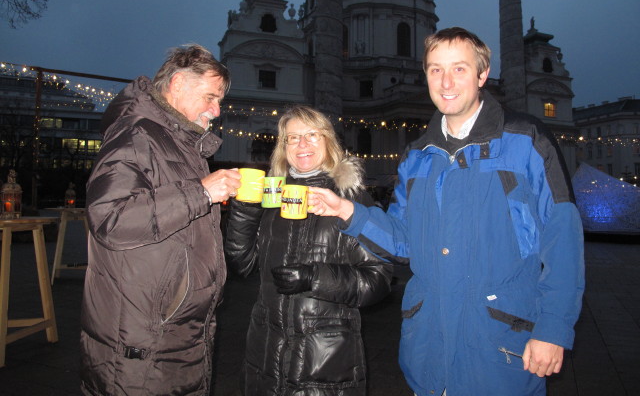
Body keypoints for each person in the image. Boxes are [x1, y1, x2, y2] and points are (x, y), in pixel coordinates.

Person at [308, 27, 585, 396]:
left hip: (502, 345)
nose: (446, 81)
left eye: (459, 68)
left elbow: (562, 239)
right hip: (429, 351)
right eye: (436, 69)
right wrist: (348, 212)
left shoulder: (526, 142)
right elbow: (404, 243)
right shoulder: (416, 157)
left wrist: (553, 328)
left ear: (482, 74)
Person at [80, 44, 242, 395]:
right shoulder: (136, 133)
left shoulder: (181, 142)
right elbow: (109, 218)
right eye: (211, 97)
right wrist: (201, 192)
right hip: (142, 336)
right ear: (179, 83)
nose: (216, 111)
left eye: (219, 102)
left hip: (178, 332)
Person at [225, 105, 393, 395]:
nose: (302, 144)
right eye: (292, 137)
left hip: (324, 362)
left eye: (312, 135)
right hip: (266, 354)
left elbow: (378, 279)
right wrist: (244, 209)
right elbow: (242, 263)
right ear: (283, 146)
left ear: (328, 141)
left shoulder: (350, 197)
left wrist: (315, 278)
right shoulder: (272, 195)